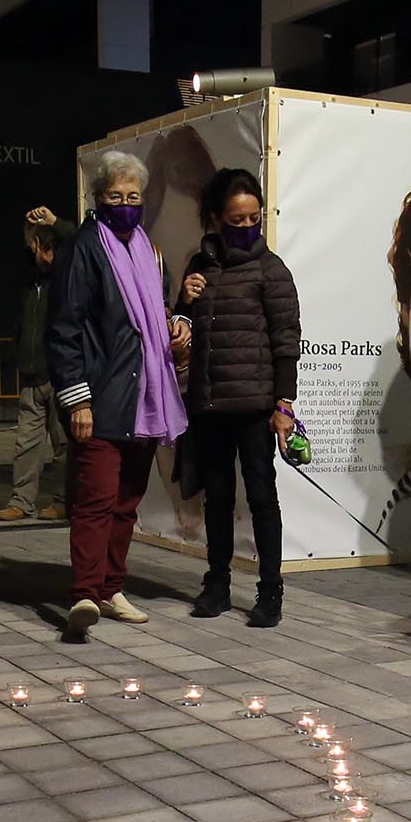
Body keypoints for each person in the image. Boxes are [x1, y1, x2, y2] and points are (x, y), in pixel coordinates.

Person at [45, 150, 190, 640]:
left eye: (133, 196)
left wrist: (174, 328)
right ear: (98, 199)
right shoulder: (83, 248)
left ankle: (111, 588)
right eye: (115, 196)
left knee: (127, 501)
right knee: (95, 500)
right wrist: (77, 399)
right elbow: (64, 328)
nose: (126, 204)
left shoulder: (150, 253)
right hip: (101, 398)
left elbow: (158, 313)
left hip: (145, 398)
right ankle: (84, 593)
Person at [177, 168, 301, 627]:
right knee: (218, 499)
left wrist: (284, 404)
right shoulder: (199, 265)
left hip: (255, 408)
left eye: (255, 218)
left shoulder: (272, 270)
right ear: (215, 217)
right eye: (237, 219)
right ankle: (217, 583)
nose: (247, 227)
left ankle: (271, 591)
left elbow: (287, 339)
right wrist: (182, 305)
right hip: (209, 405)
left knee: (262, 497)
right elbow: (180, 330)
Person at [3, 206, 75, 521]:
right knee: (26, 446)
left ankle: (65, 500)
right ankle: (21, 501)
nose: (42, 255)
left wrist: (54, 223)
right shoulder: (30, 281)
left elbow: (76, 240)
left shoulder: (68, 279)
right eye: (38, 248)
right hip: (31, 377)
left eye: (47, 249)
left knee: (65, 446)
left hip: (58, 377)